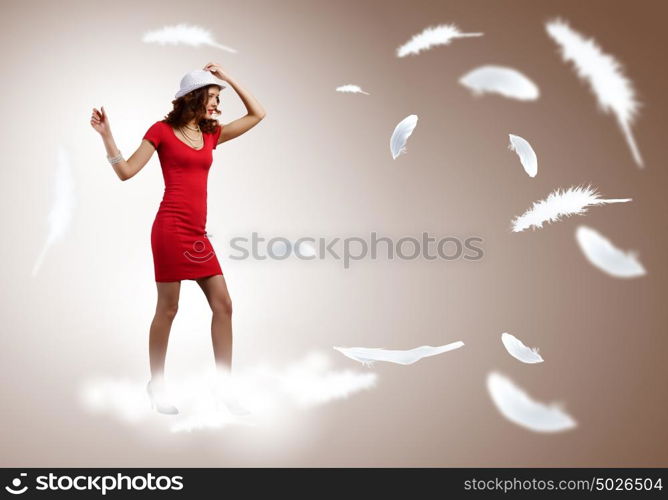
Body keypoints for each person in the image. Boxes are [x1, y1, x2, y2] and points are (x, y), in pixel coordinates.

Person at [90, 62, 266, 415]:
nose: (217, 104)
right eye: (213, 97)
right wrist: (107, 136)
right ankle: (156, 385)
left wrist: (227, 77)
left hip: (197, 234)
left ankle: (224, 388)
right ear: (193, 98)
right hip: (170, 230)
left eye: (218, 98)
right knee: (168, 309)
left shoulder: (211, 133)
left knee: (224, 305)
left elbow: (258, 114)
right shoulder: (161, 131)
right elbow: (126, 172)